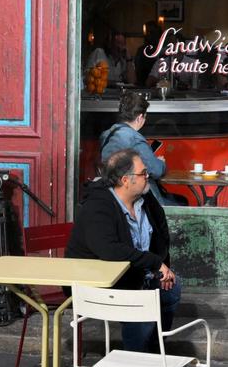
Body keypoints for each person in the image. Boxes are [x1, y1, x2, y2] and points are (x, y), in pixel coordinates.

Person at [67, 149, 178, 353]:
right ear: (126, 180)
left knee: (170, 292)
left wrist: (163, 269)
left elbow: (162, 237)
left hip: (138, 273)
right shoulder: (97, 206)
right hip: (102, 283)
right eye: (143, 173)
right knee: (142, 304)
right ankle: (135, 362)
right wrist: (154, 263)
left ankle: (153, 354)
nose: (148, 177)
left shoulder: (147, 201)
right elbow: (109, 250)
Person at [98, 89, 168, 207]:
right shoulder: (135, 139)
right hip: (135, 198)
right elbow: (156, 170)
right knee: (179, 201)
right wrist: (161, 163)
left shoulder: (106, 134)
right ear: (140, 117)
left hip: (111, 194)